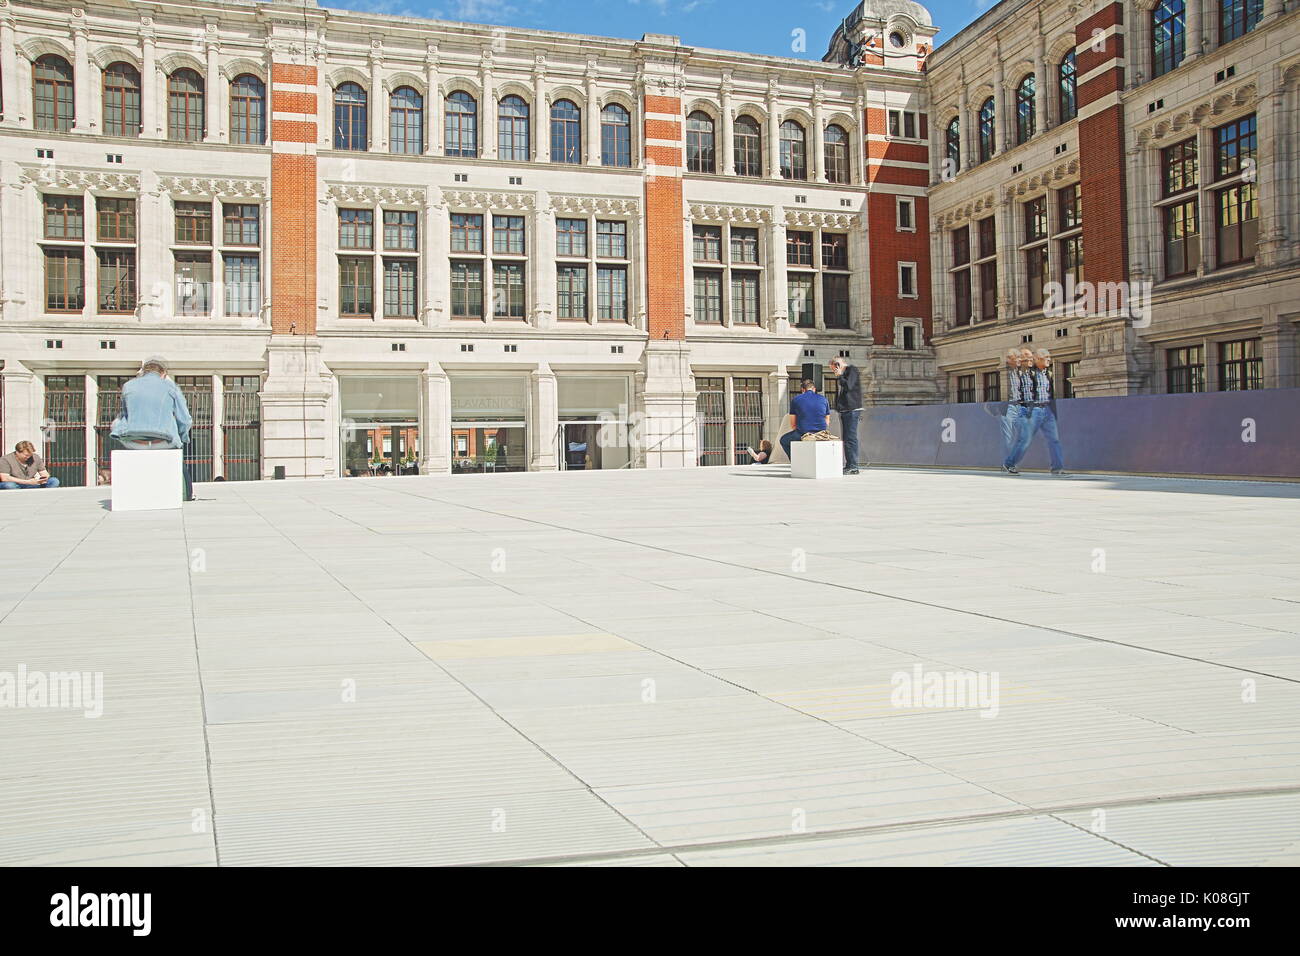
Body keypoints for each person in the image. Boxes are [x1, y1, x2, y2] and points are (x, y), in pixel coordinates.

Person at [110, 356, 195, 501]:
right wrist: (182, 438)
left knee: (117, 421)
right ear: (164, 374)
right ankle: (187, 494)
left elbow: (124, 415)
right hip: (163, 441)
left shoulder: (128, 386)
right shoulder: (171, 387)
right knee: (179, 460)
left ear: (143, 372)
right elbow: (185, 419)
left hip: (134, 442)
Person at [1006, 347, 1068, 476]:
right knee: (1025, 439)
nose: (1049, 361)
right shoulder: (1027, 372)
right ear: (1039, 359)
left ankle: (1057, 468)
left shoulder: (1048, 374)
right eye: (1047, 358)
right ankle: (1010, 463)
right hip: (1033, 410)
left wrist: (1053, 412)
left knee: (1054, 440)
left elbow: (1049, 394)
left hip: (1047, 410)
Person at [779, 379, 831, 461]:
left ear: (802, 390)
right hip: (821, 433)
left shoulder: (796, 399)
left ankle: (795, 462)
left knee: (783, 440)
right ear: (814, 389)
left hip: (803, 433)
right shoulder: (824, 399)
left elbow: (793, 425)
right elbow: (827, 421)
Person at [829, 357, 864, 475]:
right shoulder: (843, 375)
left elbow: (849, 386)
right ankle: (849, 464)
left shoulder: (851, 370)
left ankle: (853, 466)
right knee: (847, 438)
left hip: (852, 409)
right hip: (844, 410)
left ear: (838, 365)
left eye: (834, 369)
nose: (834, 372)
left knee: (850, 438)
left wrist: (839, 375)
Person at [999, 348, 1030, 475]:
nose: (1019, 360)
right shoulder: (1004, 371)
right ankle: (1007, 463)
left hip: (1019, 407)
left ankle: (1009, 462)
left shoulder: (1019, 373)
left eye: (1020, 358)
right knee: (1007, 438)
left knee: (1024, 436)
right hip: (1008, 407)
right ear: (1010, 359)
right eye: (1016, 358)